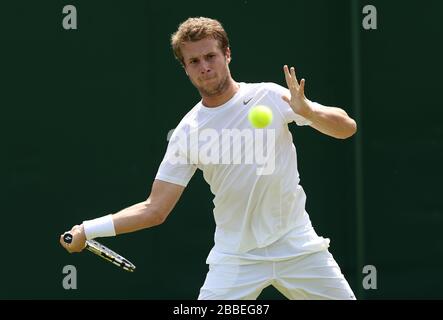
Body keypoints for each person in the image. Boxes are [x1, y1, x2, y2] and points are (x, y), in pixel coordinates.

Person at [60, 17, 357, 300]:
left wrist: (309, 112)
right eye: (194, 61)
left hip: (298, 247)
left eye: (210, 56)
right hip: (236, 258)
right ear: (185, 69)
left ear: (227, 55)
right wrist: (88, 229)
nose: (204, 67)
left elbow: (347, 128)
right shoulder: (187, 132)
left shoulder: (269, 96)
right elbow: (155, 209)